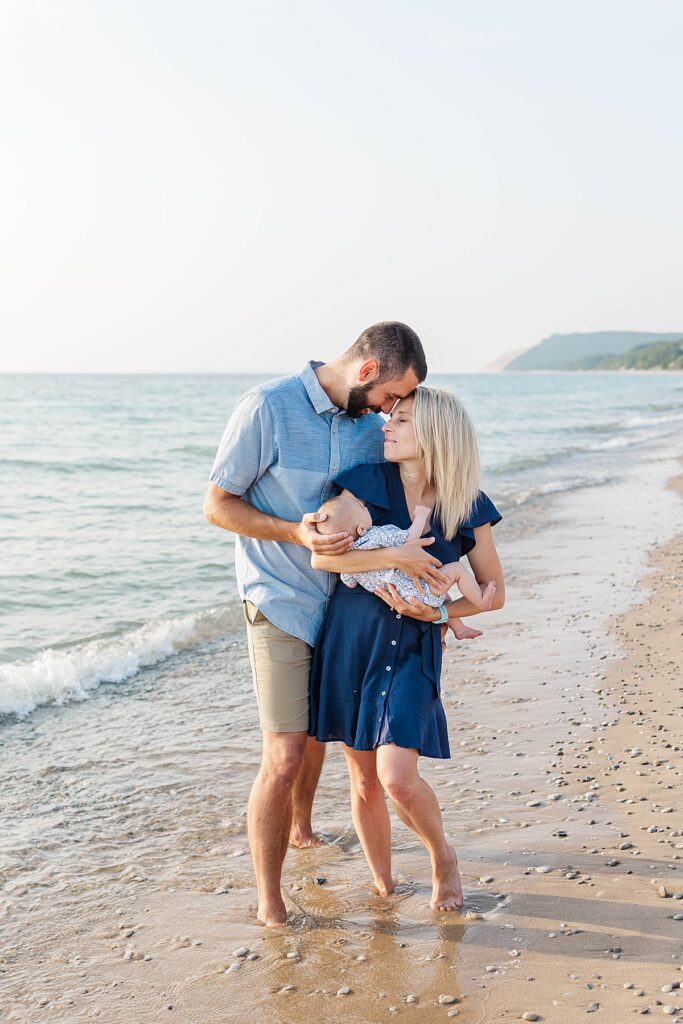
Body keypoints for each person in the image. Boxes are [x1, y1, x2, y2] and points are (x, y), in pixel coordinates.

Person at [203, 322, 446, 928]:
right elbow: (217, 504)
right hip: (280, 599)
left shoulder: (373, 431)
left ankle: (305, 828)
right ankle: (270, 899)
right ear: (367, 372)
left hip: (349, 610)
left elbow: (400, 503)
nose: (395, 411)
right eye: (393, 396)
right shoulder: (267, 407)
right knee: (284, 753)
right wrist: (294, 530)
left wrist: (432, 600)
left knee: (322, 738)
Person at [308, 385, 505, 911]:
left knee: (396, 777)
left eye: (402, 420)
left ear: (437, 433)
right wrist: (392, 554)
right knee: (365, 780)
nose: (386, 427)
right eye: (389, 417)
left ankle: (442, 856)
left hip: (414, 647)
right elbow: (325, 560)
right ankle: (384, 885)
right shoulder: (364, 483)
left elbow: (493, 595)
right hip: (353, 642)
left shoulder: (468, 505)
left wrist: (438, 613)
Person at [314, 494, 497, 636]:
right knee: (457, 570)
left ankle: (459, 628)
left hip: (404, 599)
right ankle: (479, 600)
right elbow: (410, 538)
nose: (365, 506)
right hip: (421, 588)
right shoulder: (377, 535)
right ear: (361, 529)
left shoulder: (350, 563)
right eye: (362, 508)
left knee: (443, 595)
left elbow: (349, 582)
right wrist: (421, 517)